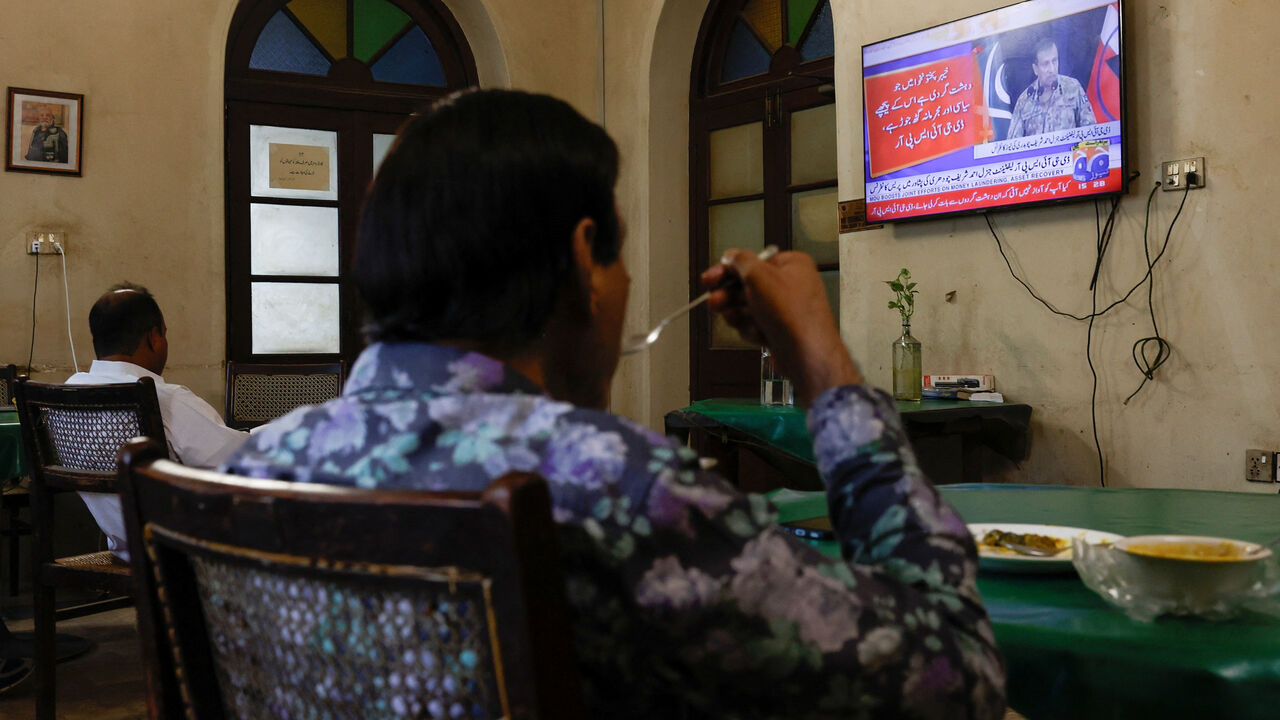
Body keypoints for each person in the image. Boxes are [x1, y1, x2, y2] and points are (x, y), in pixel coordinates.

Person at [225, 89, 1005, 719]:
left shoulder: (254, 469)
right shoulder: (619, 488)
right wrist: (824, 365)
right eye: (621, 252)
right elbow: (951, 676)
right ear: (581, 255)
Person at [67, 284, 247, 559]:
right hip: (186, 554)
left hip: (125, 549)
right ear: (155, 337)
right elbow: (239, 461)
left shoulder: (70, 392)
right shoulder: (164, 398)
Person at [1006, 37, 1095, 139]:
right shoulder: (1024, 100)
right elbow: (1013, 142)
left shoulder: (1073, 87)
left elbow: (1091, 130)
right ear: (1036, 69)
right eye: (1045, 64)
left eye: (1054, 61)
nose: (1051, 69)